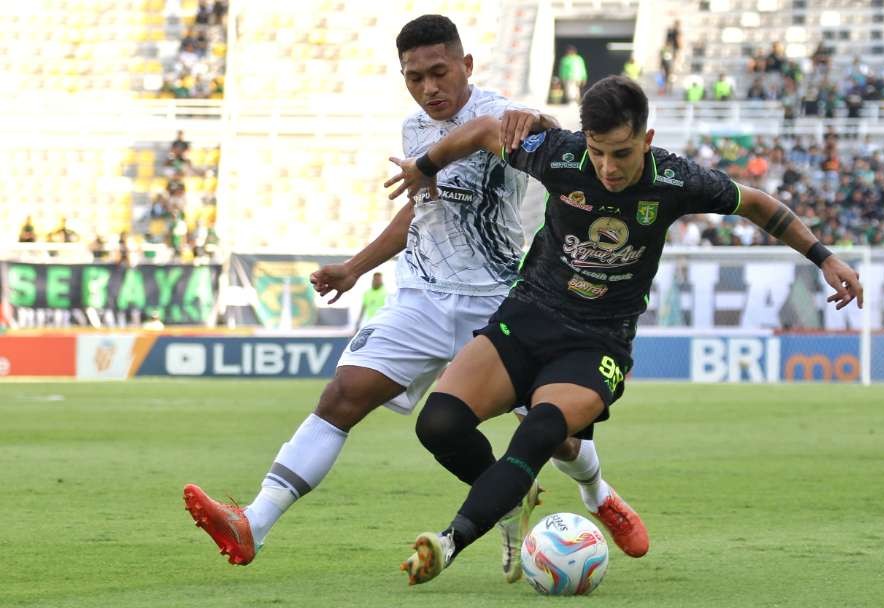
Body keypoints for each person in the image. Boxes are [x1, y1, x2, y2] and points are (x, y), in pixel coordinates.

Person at [182, 15, 646, 582]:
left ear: (466, 65)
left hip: (503, 302)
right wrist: (355, 268)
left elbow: (553, 136)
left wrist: (540, 118)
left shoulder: (502, 116)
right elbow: (423, 208)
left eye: (439, 72)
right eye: (414, 77)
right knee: (344, 394)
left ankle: (600, 496)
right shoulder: (413, 131)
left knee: (563, 438)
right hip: (422, 295)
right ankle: (253, 522)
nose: (429, 87)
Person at [386, 75, 863, 585]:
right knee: (437, 424)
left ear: (647, 140)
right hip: (528, 317)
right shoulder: (560, 155)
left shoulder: (675, 181)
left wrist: (824, 256)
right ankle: (553, 492)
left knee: (540, 431)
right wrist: (425, 165)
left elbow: (759, 204)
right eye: (598, 153)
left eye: (622, 153)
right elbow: (483, 130)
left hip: (598, 342)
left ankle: (450, 541)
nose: (609, 169)